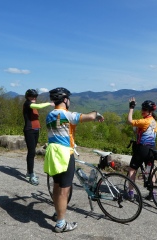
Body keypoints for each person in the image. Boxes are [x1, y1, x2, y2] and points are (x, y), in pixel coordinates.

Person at [44, 87, 104, 233]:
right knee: (64, 190)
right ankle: (61, 224)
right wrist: (96, 113)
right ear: (65, 100)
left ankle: (58, 214)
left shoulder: (50, 115)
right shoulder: (66, 115)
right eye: (68, 99)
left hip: (53, 154)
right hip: (65, 154)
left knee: (57, 186)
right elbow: (89, 117)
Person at [127, 97, 157, 201]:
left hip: (142, 149)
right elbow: (144, 132)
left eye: (144, 110)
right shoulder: (154, 121)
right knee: (150, 170)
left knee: (132, 169)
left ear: (149, 111)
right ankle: (152, 193)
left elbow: (130, 121)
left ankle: (131, 192)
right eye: (142, 109)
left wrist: (131, 107)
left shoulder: (144, 121)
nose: (142, 111)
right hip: (152, 149)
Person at [23, 89, 54, 186]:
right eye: (32, 96)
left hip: (36, 130)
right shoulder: (28, 104)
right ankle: (31, 174)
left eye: (35, 97)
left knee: (32, 152)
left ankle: (29, 172)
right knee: (31, 152)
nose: (34, 98)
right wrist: (49, 103)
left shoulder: (33, 104)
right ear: (27, 97)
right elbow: (39, 106)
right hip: (29, 130)